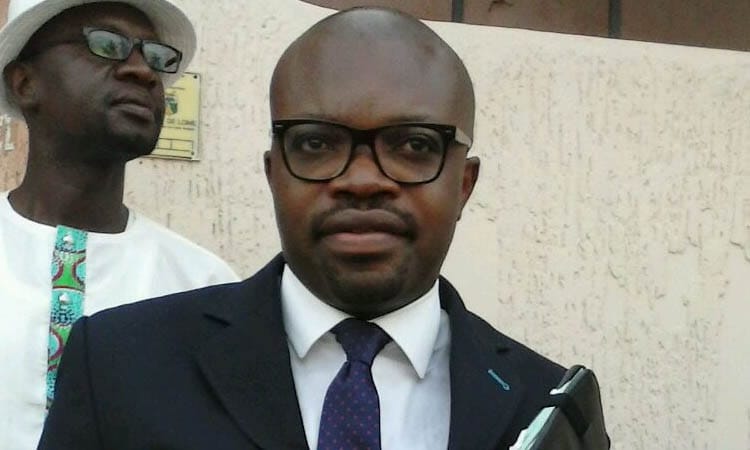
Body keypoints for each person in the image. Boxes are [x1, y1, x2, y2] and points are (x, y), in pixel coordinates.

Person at [39, 7, 572, 450]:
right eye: (316, 143)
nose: (362, 181)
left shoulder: (545, 405)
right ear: (274, 174)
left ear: (464, 186)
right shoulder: (118, 367)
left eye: (414, 145)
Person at [0, 0, 239, 448]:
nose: (143, 71)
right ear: (25, 83)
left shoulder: (205, 290)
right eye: (107, 44)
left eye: (156, 57)